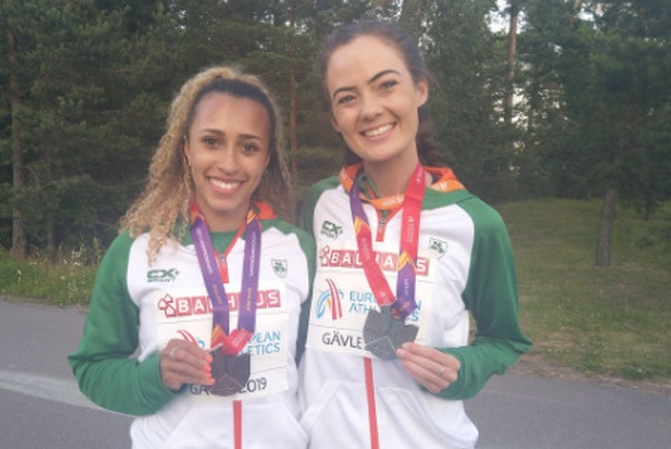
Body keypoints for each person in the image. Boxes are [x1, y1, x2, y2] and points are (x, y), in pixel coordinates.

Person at [297, 20, 532, 448]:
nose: (369, 109)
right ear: (335, 118)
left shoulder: (475, 223)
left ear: (419, 90)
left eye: (385, 85)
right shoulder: (320, 204)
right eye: (348, 98)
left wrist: (463, 369)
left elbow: (504, 339)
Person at [69, 66, 314, 449]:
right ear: (186, 147)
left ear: (266, 158)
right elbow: (92, 368)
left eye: (248, 147)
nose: (229, 164)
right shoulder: (136, 250)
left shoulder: (298, 248)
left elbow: (313, 366)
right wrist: (157, 377)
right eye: (212, 141)